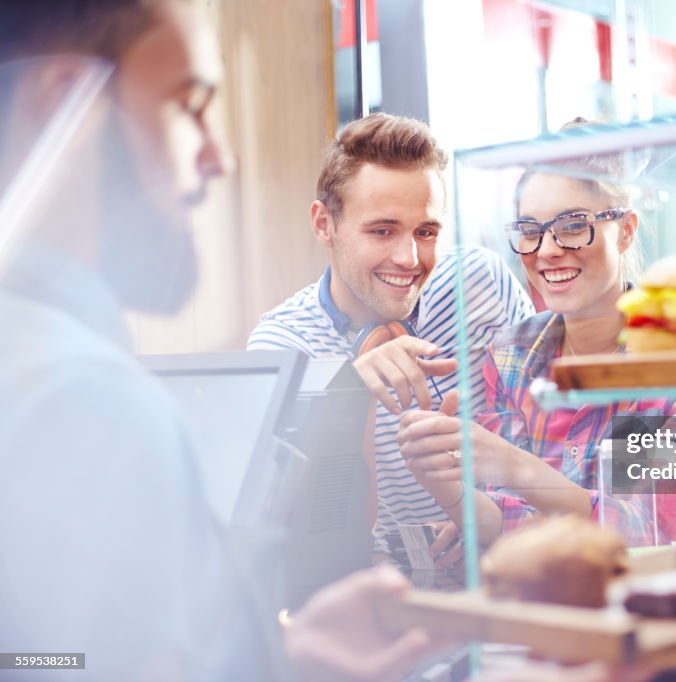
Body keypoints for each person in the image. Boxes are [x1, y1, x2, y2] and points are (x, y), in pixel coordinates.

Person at [0, 2, 430, 680]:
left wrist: (277, 656)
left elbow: (55, 659)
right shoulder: (83, 397)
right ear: (65, 108)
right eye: (186, 105)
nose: (217, 156)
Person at [397, 129, 676, 546]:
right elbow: (506, 518)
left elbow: (652, 534)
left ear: (626, 231)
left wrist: (515, 468)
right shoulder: (510, 356)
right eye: (530, 229)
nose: (548, 249)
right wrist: (448, 485)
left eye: (573, 225)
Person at [247, 113, 534, 565]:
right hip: (378, 607)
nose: (409, 258)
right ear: (324, 224)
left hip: (509, 578)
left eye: (426, 232)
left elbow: (540, 434)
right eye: (382, 231)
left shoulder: (480, 283)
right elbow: (288, 536)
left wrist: (489, 515)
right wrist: (348, 393)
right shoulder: (284, 348)